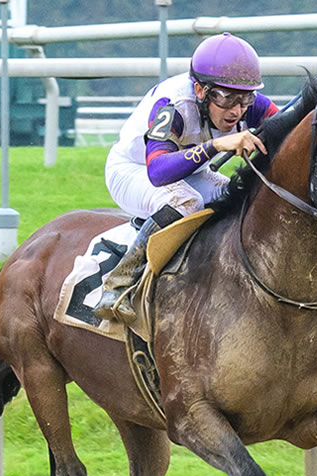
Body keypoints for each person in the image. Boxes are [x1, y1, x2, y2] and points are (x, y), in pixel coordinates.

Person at [94, 32, 279, 324]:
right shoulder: (174, 105)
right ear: (200, 90)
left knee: (237, 195)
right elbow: (158, 172)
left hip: (190, 171)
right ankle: (119, 284)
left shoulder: (244, 103)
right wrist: (216, 145)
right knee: (186, 200)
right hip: (133, 170)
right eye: (228, 98)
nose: (237, 110)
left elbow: (288, 124)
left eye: (245, 99)